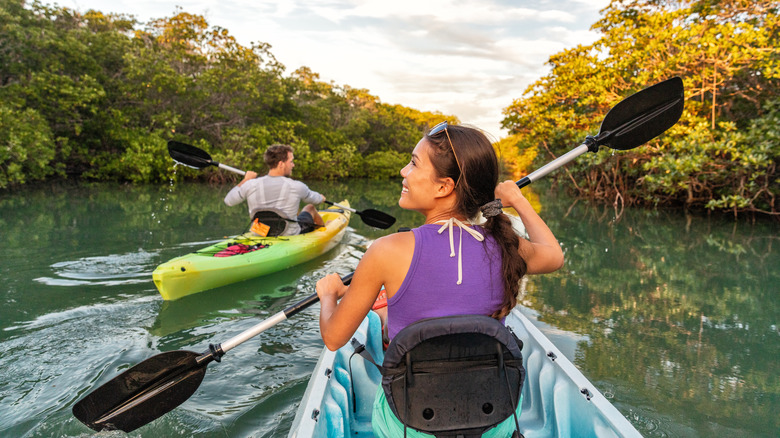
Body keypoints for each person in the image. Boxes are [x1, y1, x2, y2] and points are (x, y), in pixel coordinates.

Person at [315, 121, 565, 437]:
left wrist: (328, 294)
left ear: (444, 186)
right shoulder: (505, 244)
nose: (404, 172)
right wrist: (516, 200)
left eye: (414, 163)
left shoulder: (386, 250)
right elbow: (554, 255)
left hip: (410, 426)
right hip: (491, 422)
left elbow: (334, 338)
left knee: (383, 318)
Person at [224, 144, 326, 236]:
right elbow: (316, 200)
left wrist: (245, 180)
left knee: (296, 209)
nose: (293, 165)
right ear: (281, 164)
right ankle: (324, 231)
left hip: (259, 233)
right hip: (288, 234)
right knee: (310, 208)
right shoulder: (296, 186)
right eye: (291, 161)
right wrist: (321, 198)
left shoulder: (251, 184)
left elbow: (229, 201)